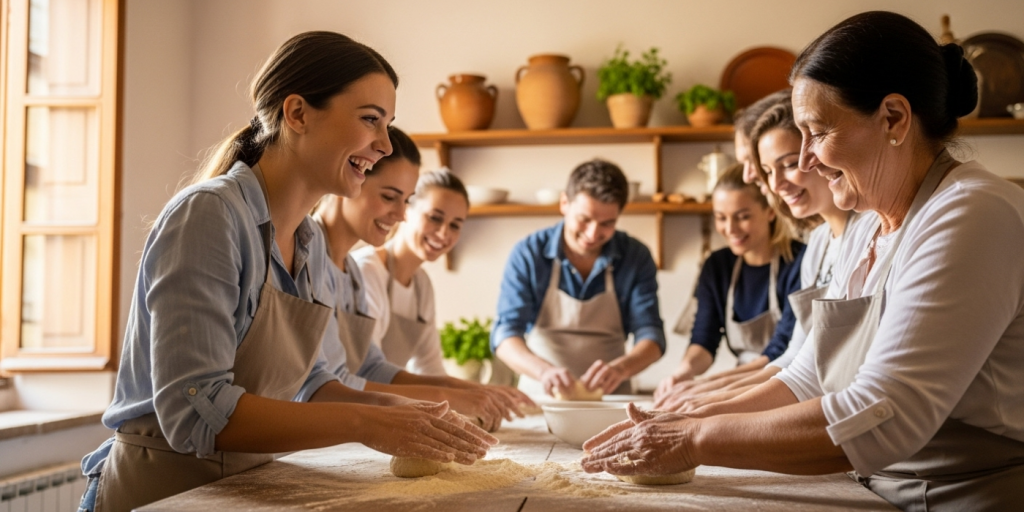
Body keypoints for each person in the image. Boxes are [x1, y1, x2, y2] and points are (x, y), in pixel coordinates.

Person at [581, 11, 1024, 511]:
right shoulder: (867, 226)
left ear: (893, 118)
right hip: (879, 490)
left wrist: (695, 440)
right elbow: (807, 376)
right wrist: (689, 419)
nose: (807, 159)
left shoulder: (974, 213)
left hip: (965, 497)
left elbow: (885, 418)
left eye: (816, 132)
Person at [77, 32, 495, 512]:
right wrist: (368, 424)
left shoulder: (309, 244)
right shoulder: (210, 216)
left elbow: (312, 384)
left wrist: (409, 412)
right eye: (370, 120)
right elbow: (195, 412)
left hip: (244, 490)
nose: (383, 145)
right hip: (161, 493)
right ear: (297, 114)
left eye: (387, 125)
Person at [656, 94, 870, 412]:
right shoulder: (818, 244)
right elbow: (797, 360)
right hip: (811, 401)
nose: (770, 182)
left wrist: (710, 401)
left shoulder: (862, 235)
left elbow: (795, 360)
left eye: (788, 164)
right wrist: (698, 391)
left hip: (840, 407)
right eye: (767, 170)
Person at [315, 126, 532, 431]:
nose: (400, 214)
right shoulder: (352, 266)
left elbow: (371, 366)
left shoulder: (352, 273)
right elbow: (330, 384)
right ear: (351, 177)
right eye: (390, 197)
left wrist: (468, 391)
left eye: (455, 224)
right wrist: (445, 398)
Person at [491, 159, 666, 398]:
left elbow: (651, 336)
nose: (593, 233)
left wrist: (622, 369)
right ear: (564, 203)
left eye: (607, 223)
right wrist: (544, 372)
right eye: (585, 219)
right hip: (542, 396)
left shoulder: (636, 256)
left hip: (611, 398)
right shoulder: (528, 254)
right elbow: (505, 336)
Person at [655, 164, 805, 400]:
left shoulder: (799, 262)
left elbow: (781, 348)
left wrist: (710, 386)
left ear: (770, 211)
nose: (730, 229)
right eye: (721, 218)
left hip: (790, 385)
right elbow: (704, 339)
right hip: (740, 382)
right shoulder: (717, 266)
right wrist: (683, 373)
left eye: (743, 217)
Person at [351, 168, 469, 378]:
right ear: (406, 210)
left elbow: (430, 368)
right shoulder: (367, 271)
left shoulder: (422, 285)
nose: (444, 233)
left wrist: (479, 392)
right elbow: (366, 371)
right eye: (435, 218)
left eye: (454, 225)